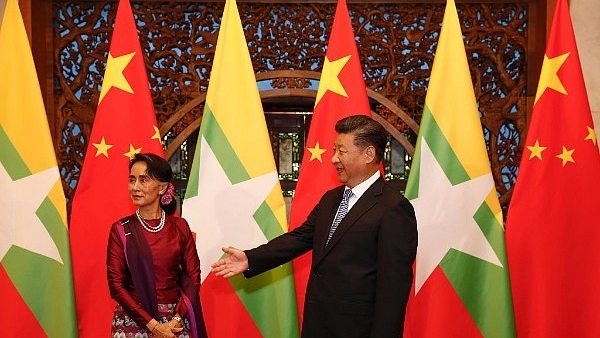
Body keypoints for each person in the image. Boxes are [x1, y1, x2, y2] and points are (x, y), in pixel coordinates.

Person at [211, 115, 418, 338]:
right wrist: (251, 258)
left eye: (342, 151)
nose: (334, 159)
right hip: (318, 324)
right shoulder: (331, 199)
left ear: (368, 154)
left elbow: (393, 289)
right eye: (333, 150)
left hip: (358, 330)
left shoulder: (394, 208)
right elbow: (300, 238)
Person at [107, 153, 208, 338]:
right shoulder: (121, 230)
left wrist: (175, 320)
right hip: (133, 323)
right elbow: (116, 286)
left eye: (143, 180)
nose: (135, 187)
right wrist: (154, 326)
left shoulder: (180, 227)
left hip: (175, 323)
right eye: (132, 180)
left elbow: (193, 277)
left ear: (162, 188)